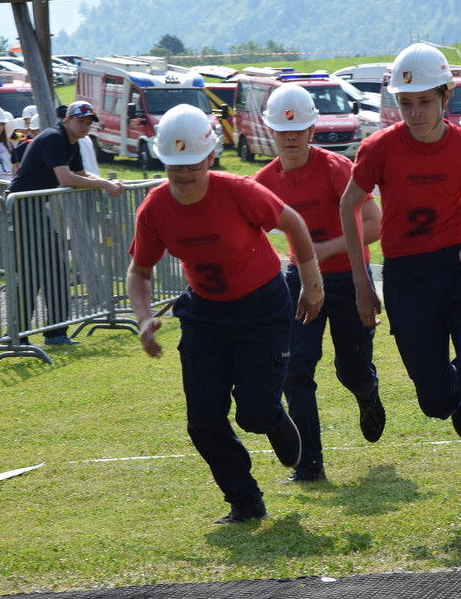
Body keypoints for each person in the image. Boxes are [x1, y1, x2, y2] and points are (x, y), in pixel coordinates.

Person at [338, 42, 461, 530]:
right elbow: (348, 206)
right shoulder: (378, 148)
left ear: (446, 96)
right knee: (436, 400)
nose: (415, 112)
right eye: (405, 102)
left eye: (424, 101)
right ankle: (456, 397)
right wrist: (361, 280)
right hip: (406, 279)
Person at [127, 103, 323, 525]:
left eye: (192, 165)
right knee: (202, 417)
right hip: (204, 311)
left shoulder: (239, 191)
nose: (182, 175)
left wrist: (311, 283)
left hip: (261, 306)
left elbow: (293, 224)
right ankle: (245, 499)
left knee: (253, 413)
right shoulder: (155, 208)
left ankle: (273, 418)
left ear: (210, 157)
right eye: (173, 166)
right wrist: (143, 319)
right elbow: (139, 272)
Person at [252, 84, 386, 483]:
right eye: (282, 131)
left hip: (348, 280)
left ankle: (368, 392)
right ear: (270, 133)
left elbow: (375, 223)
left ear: (312, 130)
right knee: (295, 371)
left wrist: (321, 249)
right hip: (299, 282)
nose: (291, 137)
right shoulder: (263, 181)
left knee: (352, 371)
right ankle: (309, 465)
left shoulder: (337, 169)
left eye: (299, 130)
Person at [8, 101, 125, 346]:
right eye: (80, 121)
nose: (84, 126)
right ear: (68, 119)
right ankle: (18, 337)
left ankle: (56, 333)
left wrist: (108, 182)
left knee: (58, 270)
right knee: (31, 274)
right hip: (21, 207)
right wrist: (105, 185)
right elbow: (65, 178)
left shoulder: (74, 142)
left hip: (38, 207)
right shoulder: (53, 137)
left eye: (88, 123)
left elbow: (81, 174)